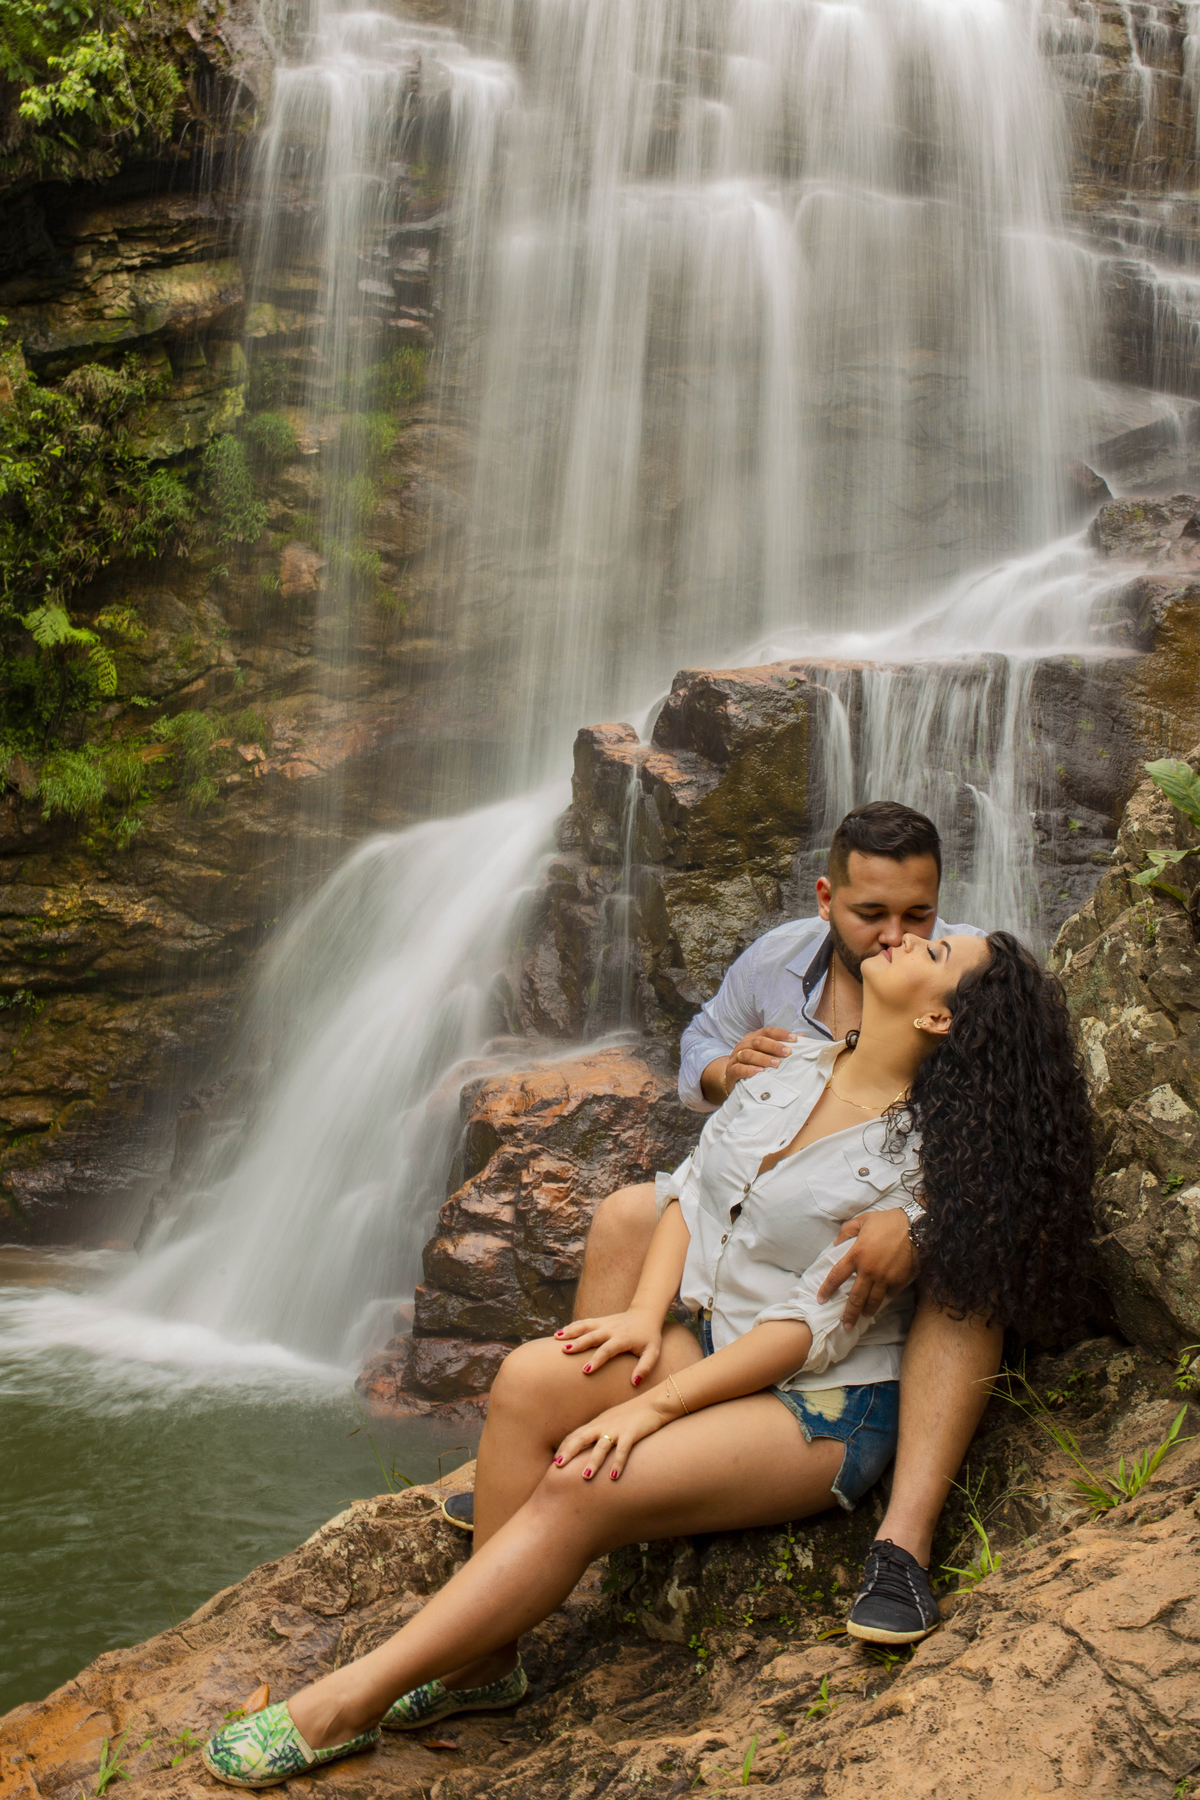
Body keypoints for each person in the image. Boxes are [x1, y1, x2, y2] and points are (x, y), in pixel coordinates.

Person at [200, 928, 1095, 1787]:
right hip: (715, 1338)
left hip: (817, 1402)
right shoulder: (790, 1070)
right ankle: (485, 1663)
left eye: (933, 950)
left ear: (941, 1019)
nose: (908, 939)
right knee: (531, 1378)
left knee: (585, 1479)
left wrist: (651, 1405)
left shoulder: (921, 1168)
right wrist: (640, 1316)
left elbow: (807, 1329)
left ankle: (347, 1700)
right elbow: (688, 1194)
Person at [449, 800, 997, 1646]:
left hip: (874, 1255)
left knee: (966, 1273)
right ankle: (554, 1440)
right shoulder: (778, 961)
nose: (895, 934)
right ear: (825, 899)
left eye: (917, 916)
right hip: (777, 1206)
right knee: (633, 1209)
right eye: (871, 914)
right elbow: (703, 1044)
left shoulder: (956, 973)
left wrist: (921, 1225)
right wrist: (721, 1071)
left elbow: (1017, 1124)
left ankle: (902, 1545)